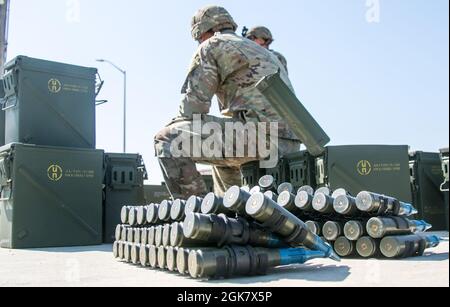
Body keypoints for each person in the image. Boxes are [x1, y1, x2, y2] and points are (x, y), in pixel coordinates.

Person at [154, 5, 301, 199]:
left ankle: (198, 214)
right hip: (289, 142)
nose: (199, 42)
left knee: (166, 140)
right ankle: (230, 217)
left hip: (260, 137)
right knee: (221, 159)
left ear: (206, 31)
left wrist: (175, 122)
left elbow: (193, 108)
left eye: (198, 38)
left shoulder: (212, 46)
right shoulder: (265, 52)